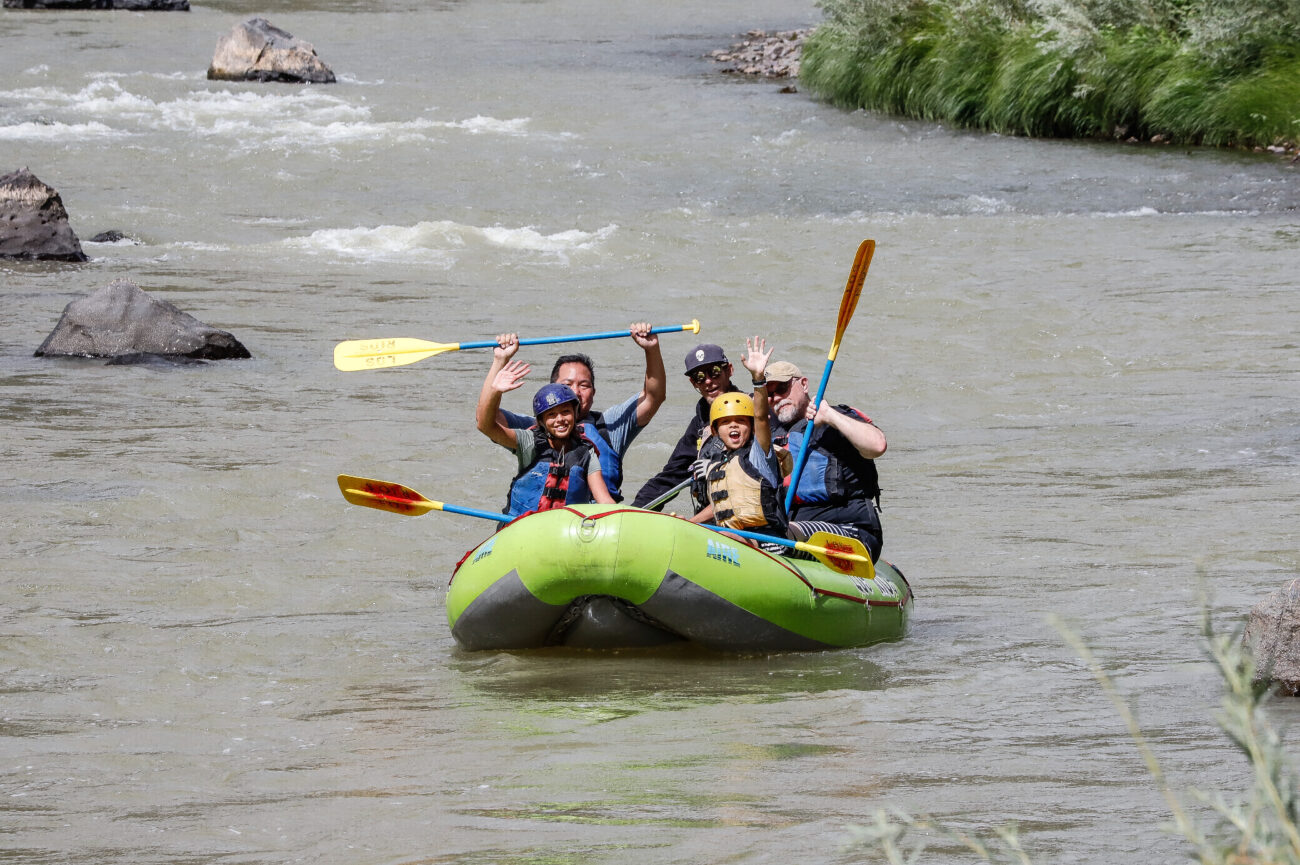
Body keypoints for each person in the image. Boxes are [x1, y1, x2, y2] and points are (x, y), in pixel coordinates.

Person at [497, 323, 665, 503]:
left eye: (584, 385)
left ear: (593, 392)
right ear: (552, 390)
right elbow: (487, 420)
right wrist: (500, 361)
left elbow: (653, 397)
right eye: (567, 385)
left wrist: (651, 349)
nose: (575, 392)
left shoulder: (610, 425)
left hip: (600, 522)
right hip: (547, 523)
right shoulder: (533, 430)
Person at [766, 360, 887, 562]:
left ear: (803, 384)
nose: (777, 397)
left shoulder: (836, 418)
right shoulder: (771, 435)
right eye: (769, 394)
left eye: (782, 388)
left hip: (851, 530)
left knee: (777, 537)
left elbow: (877, 446)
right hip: (791, 529)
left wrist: (829, 415)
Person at [476, 347, 615, 520]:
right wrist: (495, 391)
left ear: (575, 413)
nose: (560, 420)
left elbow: (605, 501)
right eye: (551, 415)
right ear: (541, 421)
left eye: (566, 412)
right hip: (520, 530)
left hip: (563, 535)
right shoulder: (529, 442)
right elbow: (485, 425)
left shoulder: (587, 453)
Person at [688, 338, 788, 548]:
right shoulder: (717, 465)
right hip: (732, 540)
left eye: (741, 421)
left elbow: (760, 417)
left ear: (750, 427)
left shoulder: (759, 455)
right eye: (725, 423)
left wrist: (758, 379)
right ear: (715, 431)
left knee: (720, 537)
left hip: (768, 542)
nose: (733, 427)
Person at [630, 341, 743, 508]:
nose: (708, 381)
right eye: (700, 377)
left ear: (729, 370)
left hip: (744, 512)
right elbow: (671, 476)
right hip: (710, 517)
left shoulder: (752, 411)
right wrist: (635, 510)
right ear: (693, 382)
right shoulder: (699, 424)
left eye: (715, 372)